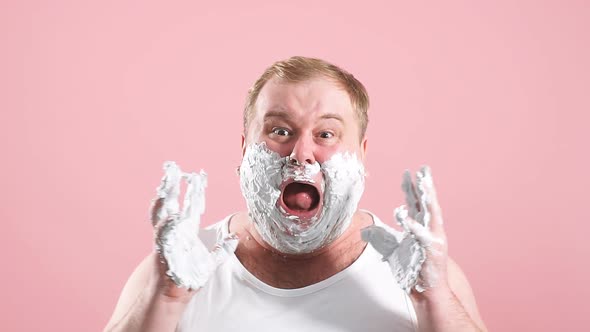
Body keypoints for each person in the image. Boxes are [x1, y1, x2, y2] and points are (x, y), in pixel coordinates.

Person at [104, 56, 488, 332]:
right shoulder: (180, 268)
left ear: (362, 154)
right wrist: (165, 301)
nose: (301, 153)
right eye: (280, 131)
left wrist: (433, 300)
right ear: (244, 149)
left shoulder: (421, 275)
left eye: (326, 134)